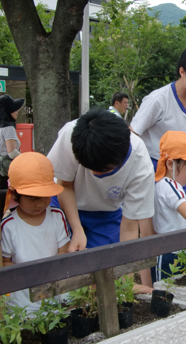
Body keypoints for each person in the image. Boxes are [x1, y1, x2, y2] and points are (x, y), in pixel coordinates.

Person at [47, 109, 155, 252]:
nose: (93, 173)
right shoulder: (72, 136)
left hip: (105, 212)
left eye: (102, 170)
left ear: (120, 160)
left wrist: (126, 269)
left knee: (108, 259)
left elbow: (129, 227)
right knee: (55, 255)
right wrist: (77, 229)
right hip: (63, 199)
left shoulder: (140, 165)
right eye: (88, 167)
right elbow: (64, 185)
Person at [130, 44, 186, 210]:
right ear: (182, 72)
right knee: (159, 222)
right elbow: (132, 136)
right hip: (154, 168)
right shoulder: (158, 100)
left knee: (184, 223)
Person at [1, 152, 70, 313]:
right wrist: (30, 275)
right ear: (16, 195)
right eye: (32, 198)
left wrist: (49, 272)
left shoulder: (56, 216)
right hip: (23, 296)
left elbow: (64, 251)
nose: (40, 204)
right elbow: (5, 261)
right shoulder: (9, 225)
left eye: (45, 196)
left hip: (54, 286)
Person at [145, 131, 186, 283]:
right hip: (170, 253)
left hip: (177, 249)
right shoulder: (169, 186)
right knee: (168, 290)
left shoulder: (166, 185)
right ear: (170, 164)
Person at [0, 95, 24, 189]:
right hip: (7, 171)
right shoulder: (8, 128)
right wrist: (26, 157)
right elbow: (12, 152)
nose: (17, 111)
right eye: (14, 109)